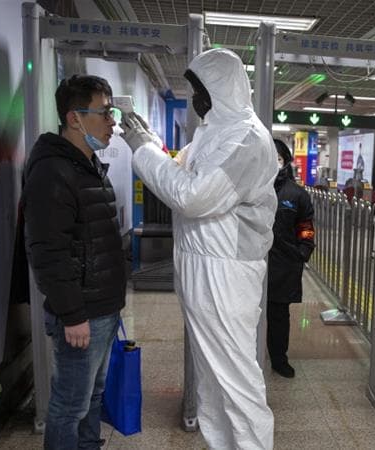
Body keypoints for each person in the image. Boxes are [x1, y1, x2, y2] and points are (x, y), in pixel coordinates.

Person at [119, 48, 276, 449]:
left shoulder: (247, 138)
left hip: (225, 271)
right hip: (200, 264)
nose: (194, 98)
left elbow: (192, 196)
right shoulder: (212, 131)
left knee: (236, 381)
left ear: (220, 88)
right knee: (210, 377)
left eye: (199, 89)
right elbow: (180, 170)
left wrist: (143, 149)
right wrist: (152, 143)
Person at [21, 75, 126, 449]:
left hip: (102, 307)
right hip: (81, 313)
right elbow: (48, 250)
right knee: (70, 405)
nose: (112, 121)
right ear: (74, 118)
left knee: (92, 397)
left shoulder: (86, 164)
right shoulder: (53, 170)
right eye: (104, 112)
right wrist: (72, 314)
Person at [266, 139, 316, 378]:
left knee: (278, 314)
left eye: (277, 157)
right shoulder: (249, 188)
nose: (273, 163)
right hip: (251, 263)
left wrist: (303, 252)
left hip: (283, 265)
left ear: (285, 160)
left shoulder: (297, 195)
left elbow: (306, 228)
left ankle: (279, 358)